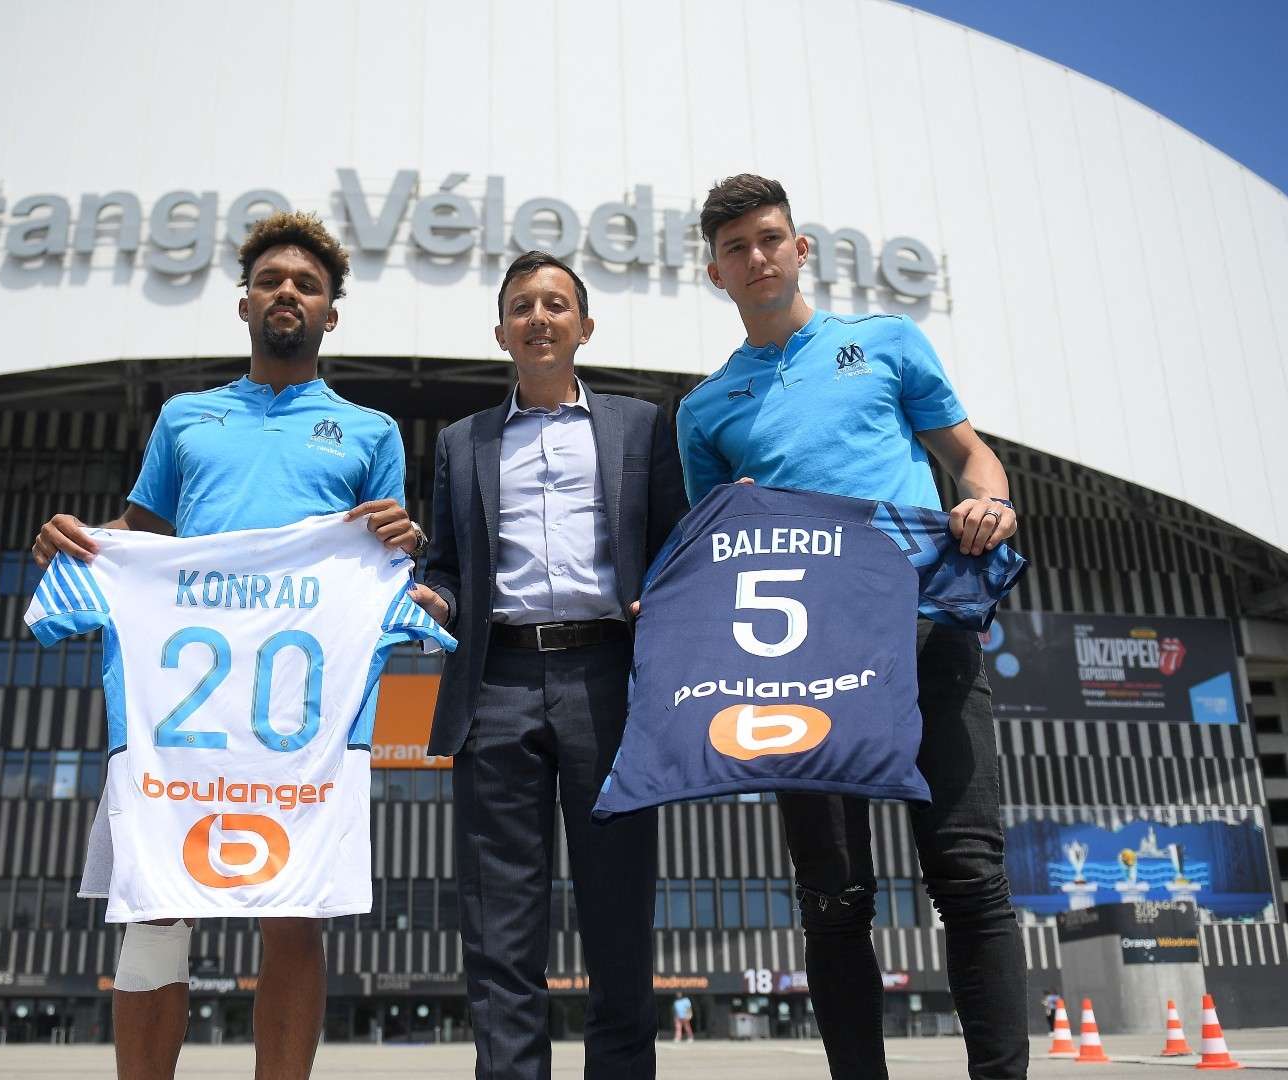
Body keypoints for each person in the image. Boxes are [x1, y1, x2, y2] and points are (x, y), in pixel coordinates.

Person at [31, 211, 424, 1080]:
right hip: (185, 697)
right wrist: (77, 540)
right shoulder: (185, 417)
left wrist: (407, 544)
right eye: (271, 281)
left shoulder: (370, 431)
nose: (288, 292)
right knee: (155, 907)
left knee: (294, 912)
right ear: (244, 303)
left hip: (298, 706)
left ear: (331, 314)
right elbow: (141, 537)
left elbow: (385, 559)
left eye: (308, 285)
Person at [677, 174, 1027, 1080]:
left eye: (769, 239)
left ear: (801, 250)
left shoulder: (887, 343)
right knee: (833, 900)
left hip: (926, 633)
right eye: (735, 248)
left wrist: (989, 502)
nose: (756, 257)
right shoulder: (704, 410)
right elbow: (716, 553)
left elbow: (970, 456)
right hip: (803, 663)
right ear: (715, 273)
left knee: (968, 875)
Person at [414, 250, 688, 1080]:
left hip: (609, 682)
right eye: (522, 306)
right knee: (500, 925)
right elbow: (446, 565)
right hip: (494, 684)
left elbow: (675, 547)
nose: (539, 317)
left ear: (585, 327)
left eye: (556, 304)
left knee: (618, 915)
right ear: (501, 332)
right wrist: (435, 600)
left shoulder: (640, 426)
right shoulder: (461, 442)